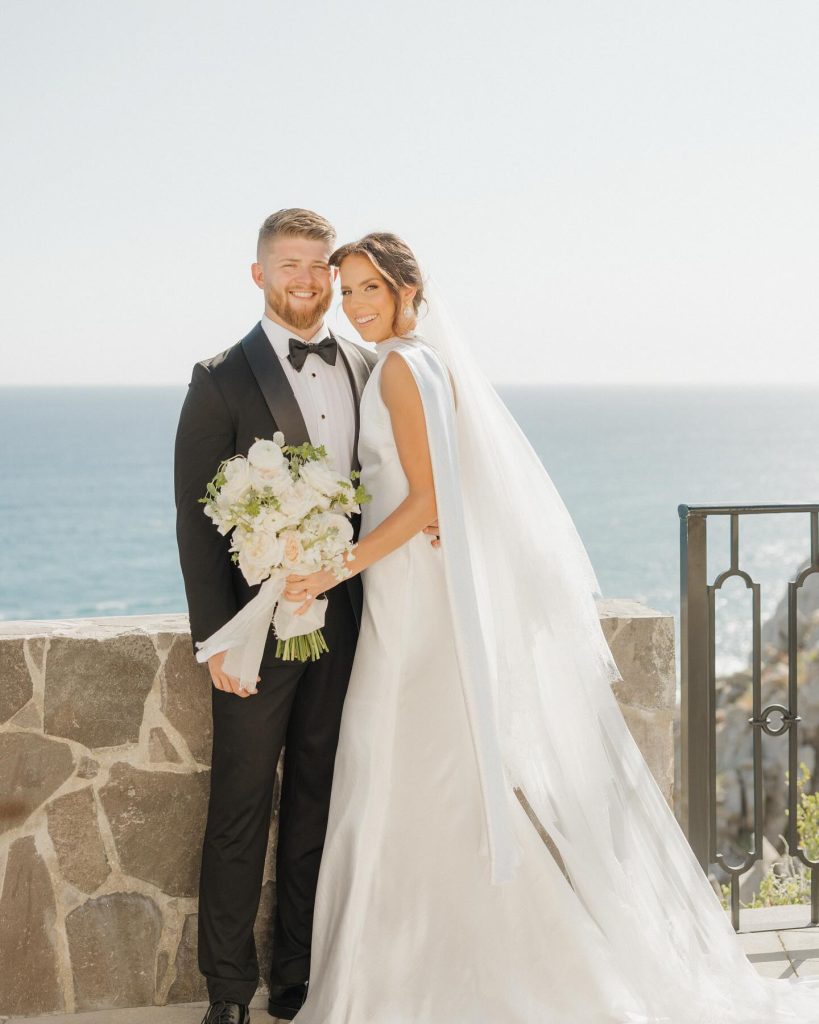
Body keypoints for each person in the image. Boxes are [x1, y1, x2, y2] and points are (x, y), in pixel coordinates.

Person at [282, 232, 819, 1023]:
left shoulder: (400, 367)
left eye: (369, 288)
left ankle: (406, 976)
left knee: (395, 760)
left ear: (406, 289)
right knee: (427, 765)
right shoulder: (427, 362)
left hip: (409, 599)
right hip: (418, 589)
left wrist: (335, 565)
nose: (358, 305)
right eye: (348, 289)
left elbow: (427, 500)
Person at [175, 210, 440, 1024]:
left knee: (319, 799)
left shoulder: (373, 366)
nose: (308, 278)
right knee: (240, 807)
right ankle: (229, 992)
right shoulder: (218, 375)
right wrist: (218, 638)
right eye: (290, 264)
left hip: (353, 618)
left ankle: (297, 977)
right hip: (256, 630)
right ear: (259, 274)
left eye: (319, 265)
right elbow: (194, 518)